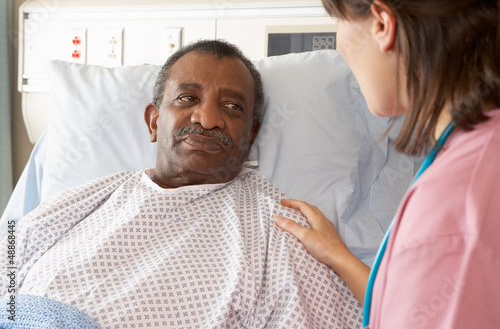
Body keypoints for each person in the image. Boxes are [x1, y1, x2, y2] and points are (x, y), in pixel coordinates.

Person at [0, 40, 363, 328]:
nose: (207, 119)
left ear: (251, 135)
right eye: (188, 98)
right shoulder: (77, 202)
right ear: (154, 121)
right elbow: (9, 268)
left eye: (233, 107)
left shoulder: (280, 230)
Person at [274, 0, 500, 328]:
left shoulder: (455, 203)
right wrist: (339, 256)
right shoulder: (478, 150)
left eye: (339, 20)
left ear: (382, 24)